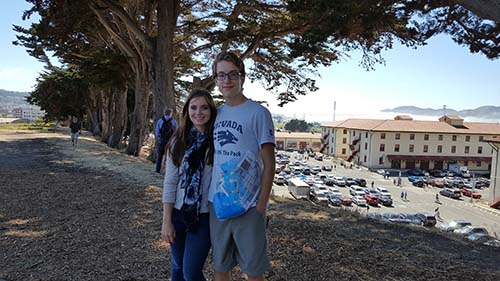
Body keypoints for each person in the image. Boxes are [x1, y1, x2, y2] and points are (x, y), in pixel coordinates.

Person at [209, 52, 275, 281]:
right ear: (216, 80)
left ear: (242, 77)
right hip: (218, 203)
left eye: (232, 74)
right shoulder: (215, 114)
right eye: (221, 75)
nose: (227, 80)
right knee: (220, 266)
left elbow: (269, 163)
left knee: (253, 271)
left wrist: (260, 206)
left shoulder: (259, 114)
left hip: (249, 206)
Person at [161, 89, 216, 281]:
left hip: (203, 217)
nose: (198, 112)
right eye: (193, 107)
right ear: (186, 110)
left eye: (204, 108)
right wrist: (166, 221)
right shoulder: (178, 141)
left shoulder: (217, 142)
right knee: (177, 268)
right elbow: (170, 183)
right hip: (178, 214)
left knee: (191, 273)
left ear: (211, 111)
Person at [155, 108, 178, 173]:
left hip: (162, 139)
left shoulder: (160, 121)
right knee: (169, 156)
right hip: (170, 140)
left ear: (164, 113)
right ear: (171, 113)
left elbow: (157, 131)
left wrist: (158, 138)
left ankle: (157, 169)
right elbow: (177, 131)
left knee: (160, 155)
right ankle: (167, 171)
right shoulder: (173, 121)